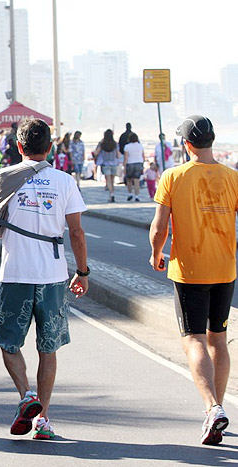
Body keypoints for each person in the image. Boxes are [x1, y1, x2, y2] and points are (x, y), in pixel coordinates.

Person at [0, 118, 88, 441]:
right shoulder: (64, 181)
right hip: (54, 277)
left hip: (16, 273)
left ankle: (26, 395)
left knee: (8, 343)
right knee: (49, 348)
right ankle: (43, 418)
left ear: (19, 147)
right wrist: (82, 272)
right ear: (50, 148)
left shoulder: (4, 177)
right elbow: (76, 232)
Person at [149, 115, 236, 446]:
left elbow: (160, 227)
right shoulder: (233, 177)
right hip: (225, 269)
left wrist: (156, 252)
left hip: (189, 270)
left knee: (194, 339)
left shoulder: (173, 176)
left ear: (186, 144)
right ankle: (215, 409)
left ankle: (212, 407)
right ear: (212, 141)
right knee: (219, 338)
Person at [93, 129, 122, 202]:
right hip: (114, 163)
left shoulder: (102, 144)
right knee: (112, 180)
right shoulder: (115, 144)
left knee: (108, 180)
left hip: (105, 164)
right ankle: (113, 193)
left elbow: (96, 153)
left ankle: (111, 194)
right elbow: (118, 155)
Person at [123, 133, 144, 202]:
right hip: (139, 163)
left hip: (130, 163)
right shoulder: (140, 146)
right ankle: (137, 196)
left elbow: (126, 157)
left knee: (129, 180)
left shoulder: (127, 146)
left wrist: (124, 166)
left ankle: (130, 193)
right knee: (137, 180)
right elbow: (143, 156)